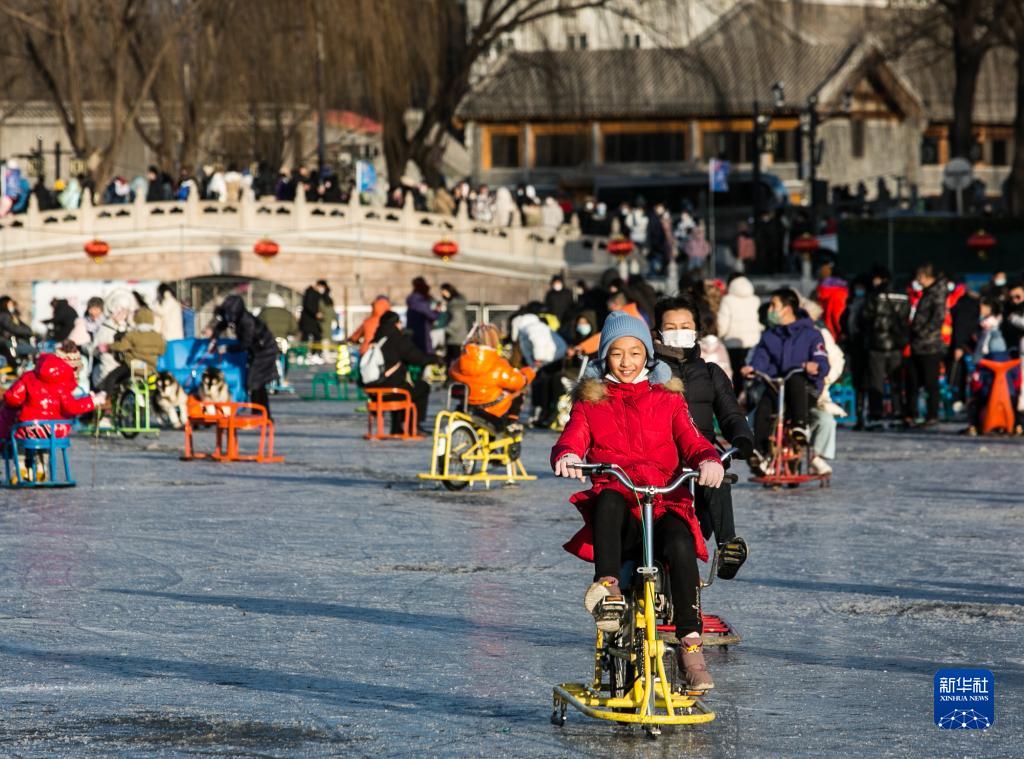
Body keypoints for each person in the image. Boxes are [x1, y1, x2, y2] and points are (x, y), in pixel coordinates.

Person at [551, 311, 726, 691]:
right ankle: (608, 589)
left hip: (664, 500)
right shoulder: (590, 402)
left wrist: (707, 459)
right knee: (608, 498)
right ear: (605, 358)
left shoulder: (668, 399)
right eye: (617, 353)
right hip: (621, 507)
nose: (626, 362)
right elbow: (573, 435)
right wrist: (567, 454)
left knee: (680, 543)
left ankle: (690, 647)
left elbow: (692, 439)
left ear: (647, 354)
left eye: (634, 352)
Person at [653, 296, 753, 579]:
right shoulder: (650, 373)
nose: (679, 332)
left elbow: (731, 413)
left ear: (696, 330)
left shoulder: (711, 373)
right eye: (671, 327)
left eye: (685, 326)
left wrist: (742, 436)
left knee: (714, 469)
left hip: (701, 459)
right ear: (657, 332)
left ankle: (727, 545)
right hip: (661, 457)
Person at [742, 288, 829, 473]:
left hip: (805, 390)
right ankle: (760, 453)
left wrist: (815, 366)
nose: (770, 310)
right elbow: (760, 359)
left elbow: (822, 360)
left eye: (774, 305)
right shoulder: (769, 336)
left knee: (795, 377)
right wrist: (753, 369)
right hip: (778, 389)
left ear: (787, 309)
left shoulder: (812, 334)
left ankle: (800, 426)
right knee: (764, 404)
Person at [1, 353, 103, 480]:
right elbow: (71, 407)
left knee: (18, 436)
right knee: (47, 440)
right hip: (56, 429)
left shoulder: (29, 377)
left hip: (30, 427)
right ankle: (41, 467)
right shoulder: (62, 382)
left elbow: (13, 397)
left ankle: (21, 467)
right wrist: (91, 402)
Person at [448, 323, 535, 430]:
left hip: (467, 405)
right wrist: (529, 372)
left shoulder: (460, 361)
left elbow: (452, 373)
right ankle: (511, 422)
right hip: (491, 409)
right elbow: (518, 382)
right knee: (518, 392)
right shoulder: (498, 364)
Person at [363, 311, 435, 434]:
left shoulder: (376, 339)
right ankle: (413, 426)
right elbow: (416, 358)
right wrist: (434, 359)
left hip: (373, 391)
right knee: (422, 387)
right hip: (393, 391)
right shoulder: (397, 338)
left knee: (398, 384)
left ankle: (396, 428)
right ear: (396, 324)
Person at [209, 295, 279, 418]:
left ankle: (262, 414)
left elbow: (245, 344)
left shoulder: (247, 321)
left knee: (255, 381)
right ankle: (260, 413)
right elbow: (223, 324)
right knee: (256, 383)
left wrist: (226, 348)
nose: (230, 317)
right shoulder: (235, 316)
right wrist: (214, 338)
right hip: (257, 350)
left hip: (265, 350)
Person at [860, 266, 910, 427]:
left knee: (876, 380)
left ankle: (876, 412)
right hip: (897, 344)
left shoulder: (874, 294)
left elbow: (866, 316)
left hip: (877, 343)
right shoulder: (903, 294)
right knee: (896, 380)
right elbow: (906, 316)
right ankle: (898, 410)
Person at [965, 299, 1022, 435]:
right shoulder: (1010, 361)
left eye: (983, 306)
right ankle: (1017, 425)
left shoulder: (992, 335)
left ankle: (973, 425)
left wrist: (978, 362)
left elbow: (978, 381)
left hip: (988, 385)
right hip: (1008, 390)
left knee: (975, 399)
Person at [511, 304, 567, 427]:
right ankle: (541, 414)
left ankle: (543, 414)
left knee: (542, 387)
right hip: (548, 359)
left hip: (550, 359)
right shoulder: (530, 327)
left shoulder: (531, 328)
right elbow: (527, 348)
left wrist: (537, 358)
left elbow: (538, 341)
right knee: (541, 386)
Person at [906, 264, 947, 427]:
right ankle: (911, 413)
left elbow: (938, 318)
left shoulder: (937, 293)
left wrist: (921, 332)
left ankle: (932, 414)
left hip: (930, 345)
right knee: (913, 380)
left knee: (931, 382)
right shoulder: (927, 293)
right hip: (918, 344)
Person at [97, 307, 166, 396]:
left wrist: (108, 347)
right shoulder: (158, 337)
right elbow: (162, 351)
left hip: (132, 366)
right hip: (150, 368)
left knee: (111, 378)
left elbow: (121, 346)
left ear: (137, 319)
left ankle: (107, 401)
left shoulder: (133, 335)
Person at [717, 275, 762, 392]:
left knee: (735, 376)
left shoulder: (727, 300)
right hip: (753, 343)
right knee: (750, 374)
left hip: (732, 344)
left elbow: (722, 325)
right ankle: (749, 397)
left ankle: (736, 398)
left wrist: (719, 336)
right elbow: (760, 323)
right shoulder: (756, 300)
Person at [0, 296, 35, 372]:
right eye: (10, 303)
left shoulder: (12, 315)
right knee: (31, 349)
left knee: (30, 348)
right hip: (8, 342)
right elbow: (13, 328)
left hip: (14, 341)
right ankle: (17, 366)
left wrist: (29, 330)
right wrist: (28, 331)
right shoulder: (4, 315)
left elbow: (21, 325)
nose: (12, 305)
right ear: (5, 304)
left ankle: (23, 365)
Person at [406, 277, 440, 356]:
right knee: (425, 354)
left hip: (413, 331)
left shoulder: (413, 299)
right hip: (422, 332)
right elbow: (431, 315)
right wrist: (437, 311)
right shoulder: (419, 300)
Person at [439, 283, 469, 366]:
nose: (442, 294)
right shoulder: (453, 304)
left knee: (454, 361)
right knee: (454, 360)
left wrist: (447, 331)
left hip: (455, 338)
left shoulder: (455, 305)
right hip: (456, 337)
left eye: (443, 291)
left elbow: (456, 321)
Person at [299, 281, 326, 351]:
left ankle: (313, 352)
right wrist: (316, 313)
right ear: (319, 285)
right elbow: (308, 305)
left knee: (313, 337)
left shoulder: (313, 293)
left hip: (311, 320)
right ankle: (305, 352)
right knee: (311, 337)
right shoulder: (311, 293)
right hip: (308, 320)